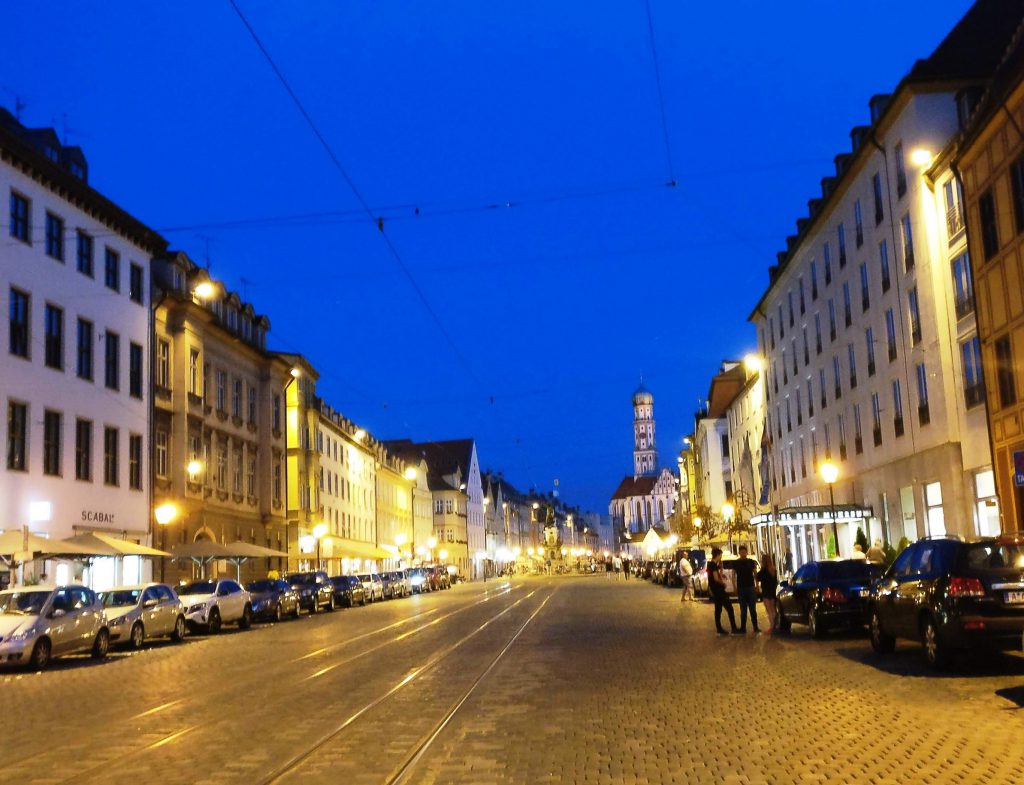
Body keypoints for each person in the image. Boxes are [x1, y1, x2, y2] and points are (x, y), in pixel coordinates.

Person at [707, 548, 738, 635]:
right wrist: (723, 584)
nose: (721, 557)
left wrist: (720, 569)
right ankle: (733, 627)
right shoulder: (713, 565)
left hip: (715, 590)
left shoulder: (711, 565)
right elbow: (716, 579)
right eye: (721, 555)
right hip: (719, 590)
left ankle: (719, 628)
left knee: (718, 609)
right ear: (718, 555)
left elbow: (715, 576)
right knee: (729, 608)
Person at [733, 545, 760, 633]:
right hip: (741, 588)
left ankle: (755, 627)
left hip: (750, 587)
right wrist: (734, 587)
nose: (743, 553)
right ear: (739, 553)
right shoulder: (736, 563)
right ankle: (743, 627)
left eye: (744, 552)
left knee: (753, 609)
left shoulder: (751, 562)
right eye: (741, 552)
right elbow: (733, 575)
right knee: (743, 609)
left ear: (746, 552)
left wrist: (757, 585)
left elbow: (755, 573)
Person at [757, 553, 779, 633]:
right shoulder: (773, 569)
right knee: (773, 610)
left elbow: (757, 577)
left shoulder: (763, 571)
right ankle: (775, 625)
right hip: (772, 591)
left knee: (769, 610)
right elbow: (775, 581)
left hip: (766, 591)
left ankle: (772, 627)